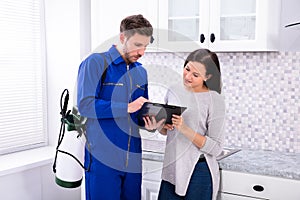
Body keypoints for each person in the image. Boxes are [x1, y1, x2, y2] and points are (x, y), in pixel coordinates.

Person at [77, 14, 163, 200]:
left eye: (146, 46)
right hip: (102, 160)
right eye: (138, 45)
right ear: (123, 37)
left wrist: (150, 123)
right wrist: (126, 107)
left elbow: (139, 112)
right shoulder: (95, 63)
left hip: (132, 161)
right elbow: (85, 105)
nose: (142, 52)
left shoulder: (140, 71)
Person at [156, 49, 226, 200]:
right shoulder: (173, 90)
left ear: (208, 76)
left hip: (198, 171)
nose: (187, 76)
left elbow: (216, 148)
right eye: (187, 69)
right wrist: (160, 125)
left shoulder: (215, 100)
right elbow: (166, 131)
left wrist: (185, 129)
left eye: (195, 75)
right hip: (172, 168)